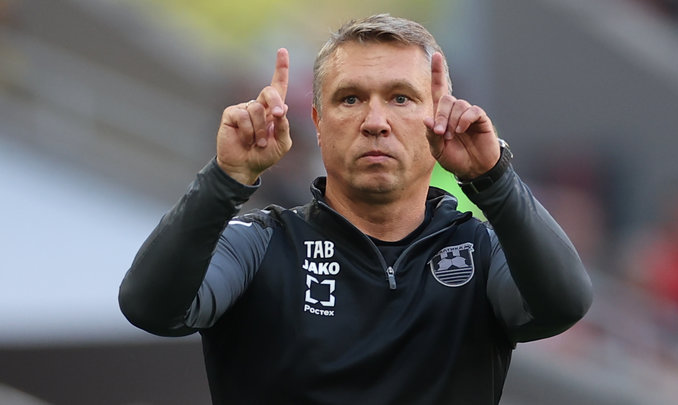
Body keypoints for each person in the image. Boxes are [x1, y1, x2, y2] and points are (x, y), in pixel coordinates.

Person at [119, 14, 593, 405]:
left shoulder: (480, 252)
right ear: (317, 122)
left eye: (401, 98)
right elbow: (150, 308)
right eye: (350, 99)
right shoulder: (258, 246)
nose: (375, 122)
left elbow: (564, 304)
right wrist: (225, 179)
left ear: (438, 118)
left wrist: (494, 179)